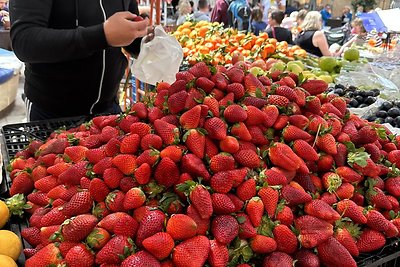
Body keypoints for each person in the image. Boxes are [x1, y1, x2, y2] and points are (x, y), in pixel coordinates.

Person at [10, 0, 153, 121]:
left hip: (109, 109)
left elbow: (128, 35)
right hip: (51, 113)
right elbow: (25, 40)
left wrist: (146, 40)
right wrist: (101, 35)